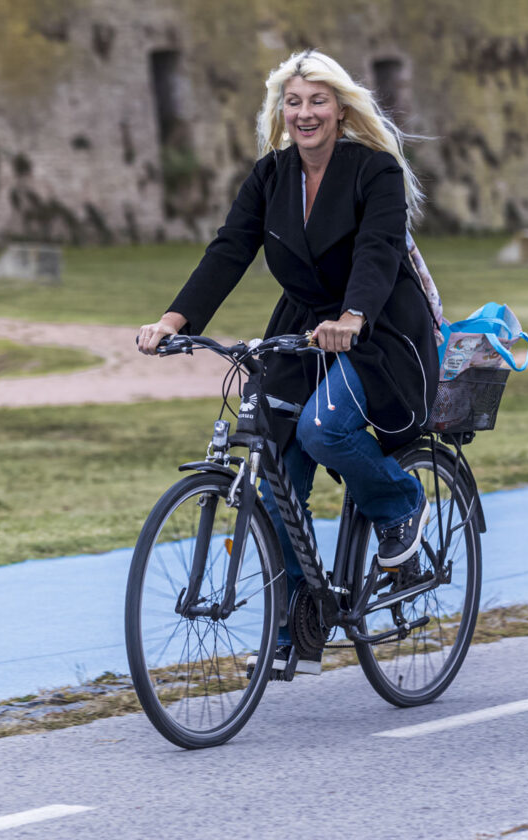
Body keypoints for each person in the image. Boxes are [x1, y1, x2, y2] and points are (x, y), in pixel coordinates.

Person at [136, 49, 440, 674]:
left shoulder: (374, 170)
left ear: (340, 108)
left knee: (322, 428)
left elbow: (380, 251)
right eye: (293, 102)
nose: (305, 113)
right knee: (270, 464)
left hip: (379, 330)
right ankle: (300, 617)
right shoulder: (271, 176)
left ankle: (401, 503)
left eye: (317, 101)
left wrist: (353, 318)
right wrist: (175, 321)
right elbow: (229, 250)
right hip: (303, 333)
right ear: (281, 111)